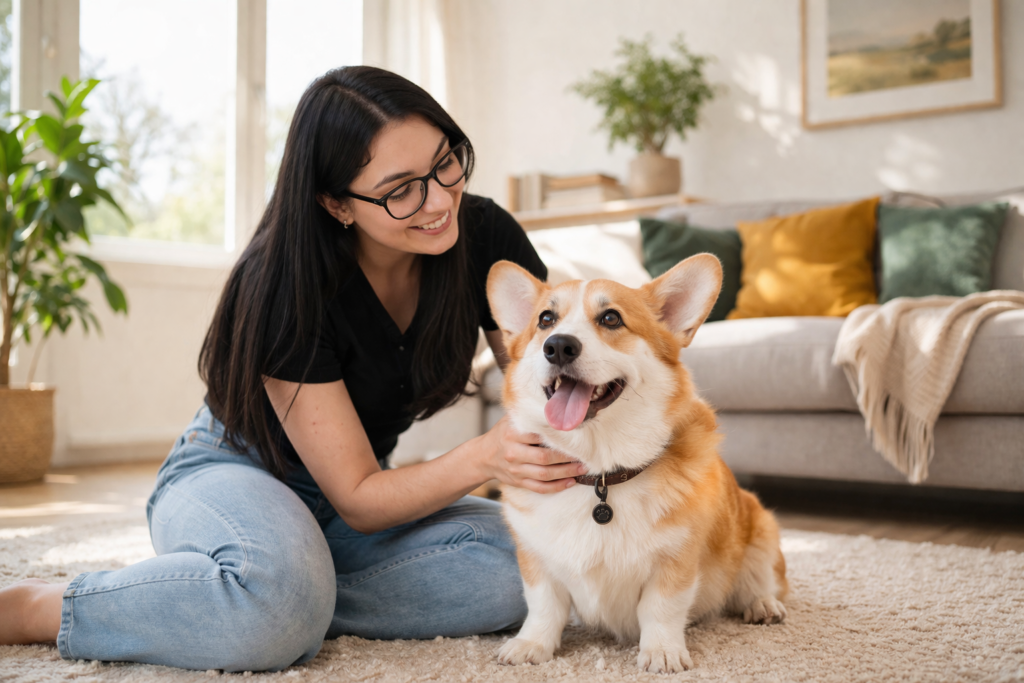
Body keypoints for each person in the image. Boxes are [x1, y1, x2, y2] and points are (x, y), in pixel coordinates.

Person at [0, 66, 587, 672]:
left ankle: (260, 593)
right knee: (284, 603)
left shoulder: (485, 233)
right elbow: (359, 496)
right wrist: (487, 456)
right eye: (401, 190)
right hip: (235, 471)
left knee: (521, 564)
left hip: (354, 502)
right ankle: (41, 607)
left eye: (445, 163)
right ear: (336, 203)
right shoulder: (284, 285)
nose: (439, 199)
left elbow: (543, 378)